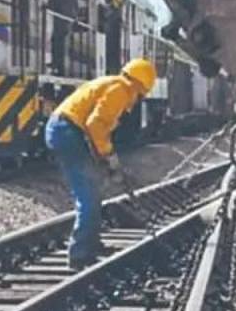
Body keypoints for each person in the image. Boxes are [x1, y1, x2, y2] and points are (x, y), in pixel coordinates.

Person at [45, 58, 157, 270]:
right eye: (141, 95)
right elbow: (96, 125)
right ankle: (80, 254)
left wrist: (105, 160)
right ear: (139, 86)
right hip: (67, 132)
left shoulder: (113, 83)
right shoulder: (121, 89)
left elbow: (96, 127)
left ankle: (91, 243)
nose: (137, 100)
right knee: (87, 194)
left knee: (93, 188)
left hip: (66, 130)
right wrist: (109, 156)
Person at [47, 0, 80, 75]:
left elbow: (50, 7)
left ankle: (57, 65)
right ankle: (60, 68)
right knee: (62, 46)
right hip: (67, 26)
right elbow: (76, 9)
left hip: (59, 24)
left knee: (56, 43)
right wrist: (74, 18)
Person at [105, 0, 125, 72]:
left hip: (113, 26)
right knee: (114, 49)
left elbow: (116, 6)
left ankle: (113, 68)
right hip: (115, 27)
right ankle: (114, 68)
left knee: (113, 49)